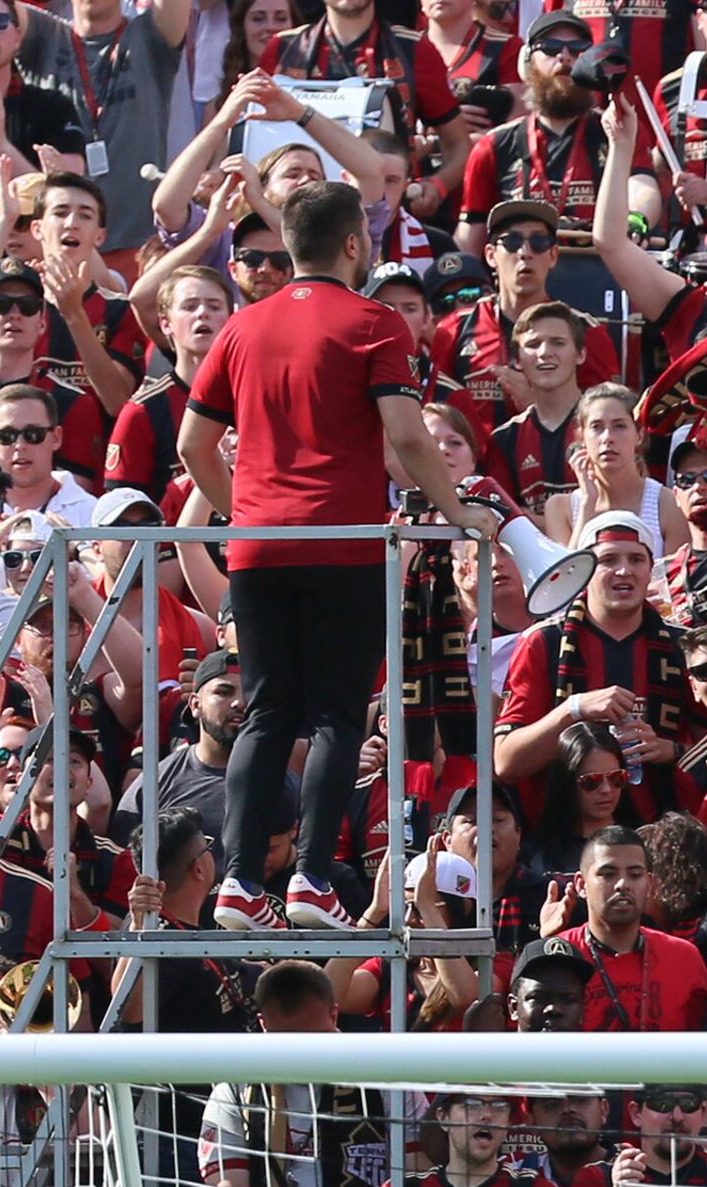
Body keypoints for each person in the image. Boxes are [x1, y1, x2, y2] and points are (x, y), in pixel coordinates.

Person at [180, 181, 499, 930]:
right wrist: (458, 513)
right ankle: (311, 879)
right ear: (354, 243)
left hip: (258, 550)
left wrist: (243, 513)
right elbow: (409, 433)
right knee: (334, 716)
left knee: (265, 714)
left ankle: (237, 883)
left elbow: (193, 446)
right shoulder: (373, 321)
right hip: (345, 545)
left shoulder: (241, 326)